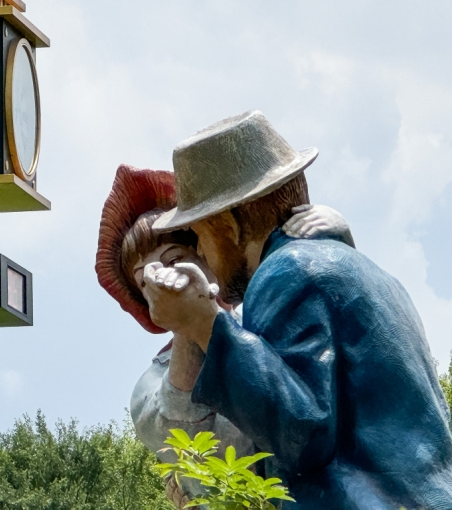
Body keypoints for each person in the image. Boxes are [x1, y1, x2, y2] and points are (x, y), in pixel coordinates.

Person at [144, 110, 452, 509]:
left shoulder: (286, 272)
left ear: (229, 225)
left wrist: (205, 323)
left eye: (201, 234)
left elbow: (302, 431)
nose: (201, 251)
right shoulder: (374, 275)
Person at [95, 164, 355, 507]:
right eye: (145, 280)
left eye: (175, 259)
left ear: (209, 252)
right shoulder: (151, 386)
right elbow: (183, 436)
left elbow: (349, 357)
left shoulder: (275, 319)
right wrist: (189, 325)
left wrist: (336, 245)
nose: (162, 278)